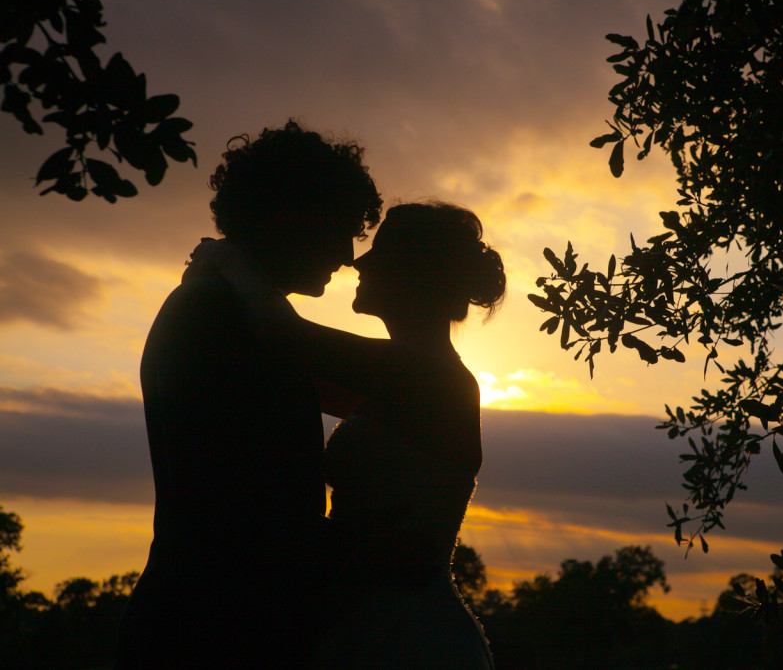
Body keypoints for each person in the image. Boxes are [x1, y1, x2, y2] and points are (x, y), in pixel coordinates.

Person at [116, 121, 383, 670]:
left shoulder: (221, 305)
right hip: (219, 632)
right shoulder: (224, 317)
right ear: (289, 216)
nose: (347, 253)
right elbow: (251, 501)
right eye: (338, 227)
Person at [311, 202, 504, 669]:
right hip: (382, 627)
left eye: (380, 252)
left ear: (413, 273)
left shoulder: (423, 375)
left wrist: (230, 272)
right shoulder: (404, 375)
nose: (360, 262)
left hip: (410, 641)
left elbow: (279, 337)